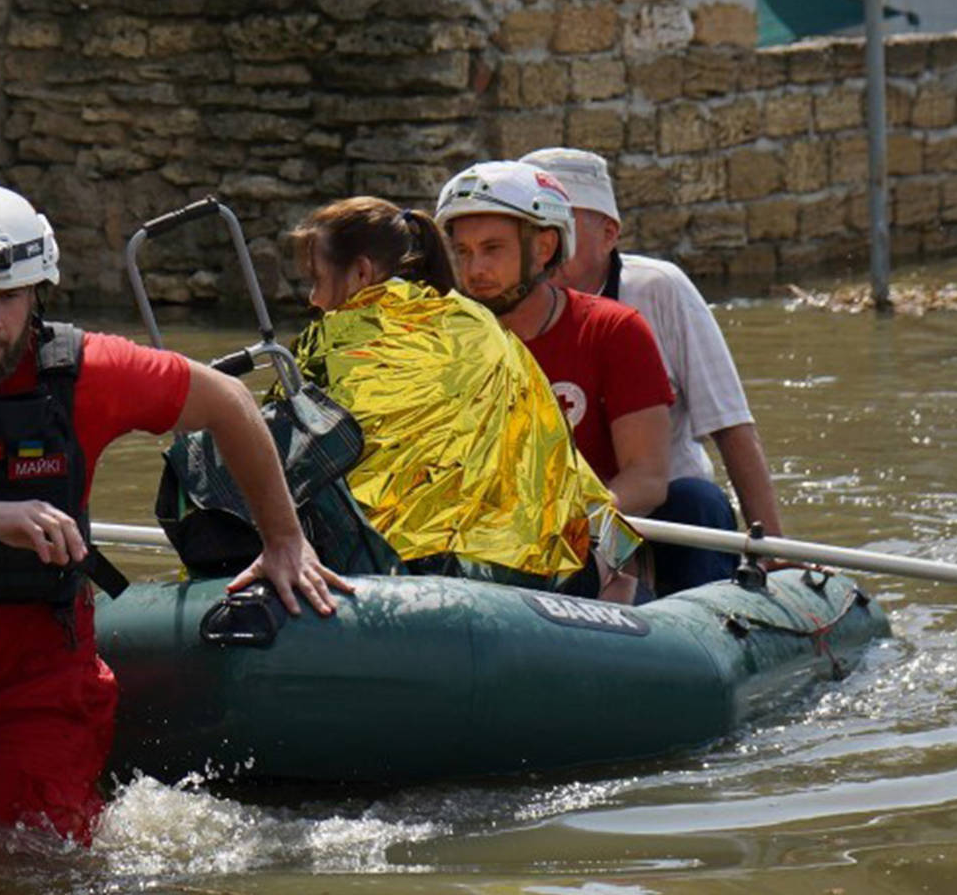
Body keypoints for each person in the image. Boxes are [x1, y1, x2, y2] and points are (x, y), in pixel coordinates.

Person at [0, 183, 349, 845]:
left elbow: (228, 401)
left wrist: (283, 538)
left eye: (10, 296)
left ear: (37, 293)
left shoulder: (86, 371)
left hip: (45, 700)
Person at [287, 196, 638, 595]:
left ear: (363, 272)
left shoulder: (325, 341)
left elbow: (278, 461)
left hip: (393, 579)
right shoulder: (480, 323)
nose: (314, 298)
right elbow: (558, 463)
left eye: (317, 280)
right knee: (621, 562)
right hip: (528, 574)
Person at [523, 147, 787, 593]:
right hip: (555, 518)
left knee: (697, 499)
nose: (549, 248)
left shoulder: (657, 289)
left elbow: (730, 426)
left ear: (608, 234)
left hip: (662, 509)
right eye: (536, 232)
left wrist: (776, 549)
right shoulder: (507, 307)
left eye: (563, 230)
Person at [435, 161, 674, 524]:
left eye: (492, 249)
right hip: (479, 539)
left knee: (698, 499)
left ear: (544, 247)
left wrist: (560, 519)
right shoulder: (446, 341)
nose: (474, 270)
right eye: (463, 252)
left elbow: (647, 478)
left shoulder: (614, 330)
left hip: (589, 541)